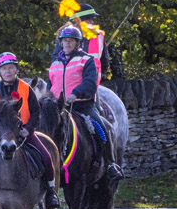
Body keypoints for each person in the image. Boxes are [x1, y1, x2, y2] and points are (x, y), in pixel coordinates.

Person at [0, 52, 59, 209]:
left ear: (16, 70)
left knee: (46, 157)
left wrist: (28, 129)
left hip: (23, 134)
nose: (8, 71)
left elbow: (36, 111)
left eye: (10, 68)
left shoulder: (26, 88)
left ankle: (51, 192)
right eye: (4, 69)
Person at [48, 26, 124, 180]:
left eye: (71, 41)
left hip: (81, 106)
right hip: (58, 108)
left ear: (78, 43)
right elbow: (51, 85)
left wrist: (75, 94)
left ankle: (110, 163)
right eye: (64, 41)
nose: (67, 43)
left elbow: (90, 83)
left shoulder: (87, 60)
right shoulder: (55, 62)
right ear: (60, 43)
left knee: (102, 126)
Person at [59, 2, 110, 80]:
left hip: (90, 84)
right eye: (89, 19)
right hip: (69, 84)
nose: (92, 22)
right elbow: (57, 63)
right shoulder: (63, 37)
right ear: (78, 21)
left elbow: (104, 63)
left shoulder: (99, 36)